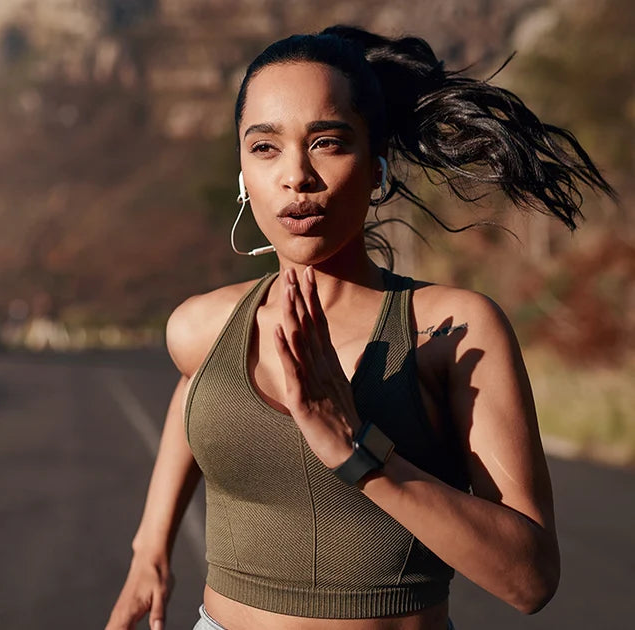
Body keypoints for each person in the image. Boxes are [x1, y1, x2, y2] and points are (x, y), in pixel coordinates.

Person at [106, 25, 615, 630]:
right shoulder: (203, 325)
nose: (296, 176)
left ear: (375, 170)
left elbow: (530, 579)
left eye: (328, 142)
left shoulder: (451, 331)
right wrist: (150, 548)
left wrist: (358, 450)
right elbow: (195, 394)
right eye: (264, 147)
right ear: (242, 171)